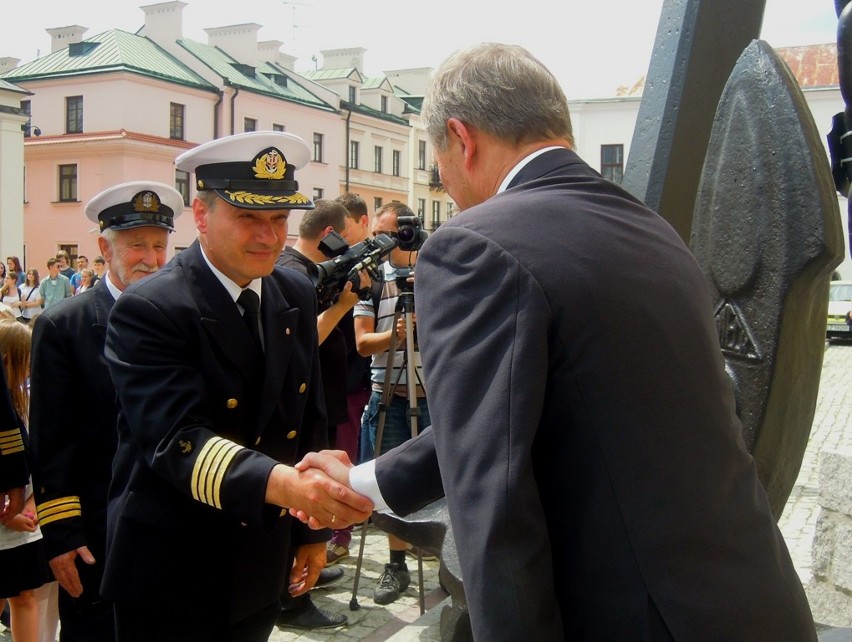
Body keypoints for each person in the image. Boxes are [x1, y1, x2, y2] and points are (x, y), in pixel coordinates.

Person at [298, 43, 818, 641]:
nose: (446, 181)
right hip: (752, 601)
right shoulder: (654, 231)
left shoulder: (476, 244)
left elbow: (494, 509)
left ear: (461, 140)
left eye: (440, 160)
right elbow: (505, 420)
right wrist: (360, 482)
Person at [102, 131, 373, 642]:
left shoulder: (291, 288)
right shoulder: (152, 308)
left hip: (259, 557)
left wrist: (310, 531)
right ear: (202, 217)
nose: (268, 237)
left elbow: (307, 418)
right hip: (175, 563)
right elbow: (178, 442)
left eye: (278, 220)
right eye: (248, 217)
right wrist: (294, 490)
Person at [29, 181, 185, 642]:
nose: (152, 258)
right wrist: (61, 536)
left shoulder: (182, 316)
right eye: (137, 244)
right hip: (98, 536)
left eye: (159, 246)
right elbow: (51, 442)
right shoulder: (64, 325)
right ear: (104, 247)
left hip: (173, 528)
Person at [274, 199, 367, 630]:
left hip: (320, 397)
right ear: (329, 234)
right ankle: (292, 597)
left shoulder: (308, 272)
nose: (347, 249)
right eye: (344, 240)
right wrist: (344, 306)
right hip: (303, 401)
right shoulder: (293, 272)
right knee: (301, 497)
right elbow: (302, 341)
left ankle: (305, 563)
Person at [352, 201, 430, 605]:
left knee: (445, 484)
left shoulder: (433, 271)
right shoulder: (372, 279)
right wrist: (396, 333)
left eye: (390, 232)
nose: (382, 241)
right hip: (390, 397)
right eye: (377, 234)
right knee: (393, 486)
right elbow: (363, 343)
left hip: (434, 396)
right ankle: (396, 564)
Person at [0, 319, 54, 642]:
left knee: (25, 596)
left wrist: (29, 510)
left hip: (23, 522)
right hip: (7, 518)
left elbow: (36, 465)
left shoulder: (22, 405)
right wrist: (11, 515)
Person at [325, 192, 371, 566]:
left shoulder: (369, 270)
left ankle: (339, 534)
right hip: (326, 382)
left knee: (346, 458)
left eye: (346, 226)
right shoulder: (330, 265)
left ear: (362, 222)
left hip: (353, 381)